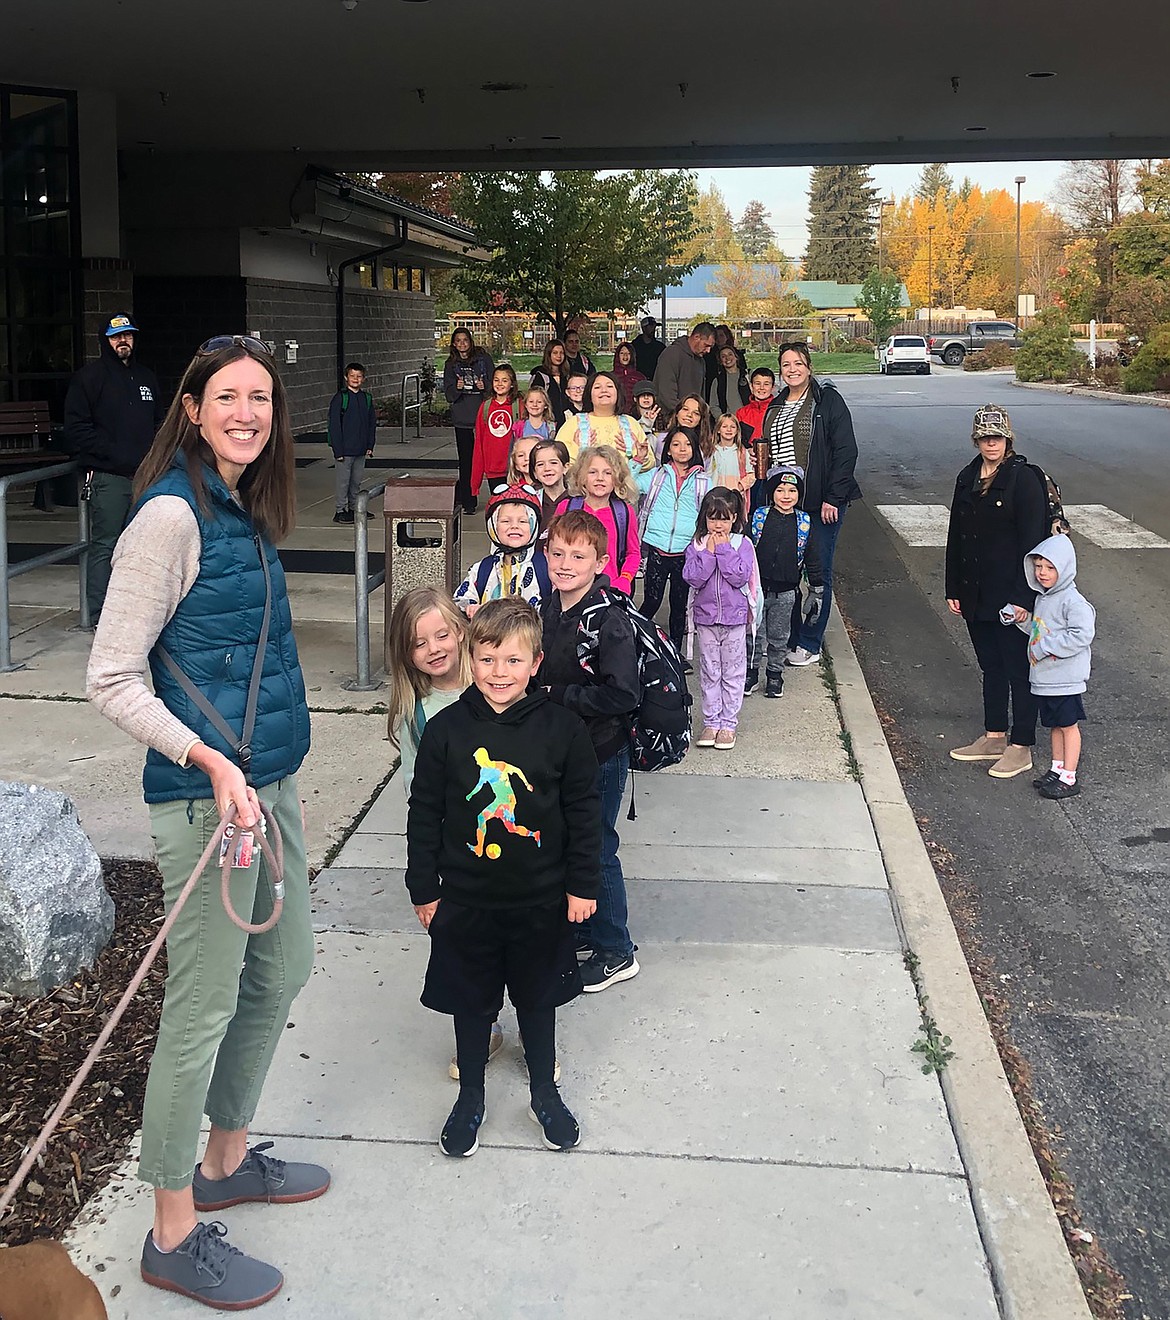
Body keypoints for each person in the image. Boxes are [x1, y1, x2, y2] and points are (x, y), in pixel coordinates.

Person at [85, 335, 322, 1310]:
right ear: (190, 406)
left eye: (261, 398)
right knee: (202, 1010)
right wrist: (209, 759)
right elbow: (109, 677)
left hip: (268, 790)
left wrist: (254, 770)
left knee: (285, 968)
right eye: (227, 397)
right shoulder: (171, 518)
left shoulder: (245, 504)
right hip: (205, 799)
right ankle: (173, 1229)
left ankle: (226, 1154)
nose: (247, 413)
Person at [405, 597, 602, 1156]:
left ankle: (543, 1093)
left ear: (535, 663)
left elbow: (584, 813)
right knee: (472, 1006)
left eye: (513, 661)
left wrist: (582, 885)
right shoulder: (445, 731)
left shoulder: (562, 730)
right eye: (488, 659)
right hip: (466, 901)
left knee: (538, 1002)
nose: (499, 673)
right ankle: (471, 1098)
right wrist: (423, 887)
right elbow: (425, 812)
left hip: (542, 901)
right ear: (471, 658)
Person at [541, 510, 641, 992]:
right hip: (564, 749)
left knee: (596, 845)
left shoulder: (610, 618)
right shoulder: (550, 608)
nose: (565, 564)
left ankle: (616, 950)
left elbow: (624, 694)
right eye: (557, 554)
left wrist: (559, 697)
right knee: (571, 842)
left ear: (600, 562)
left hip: (600, 751)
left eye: (578, 556)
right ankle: (585, 926)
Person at [945, 404, 1049, 781]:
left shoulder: (1025, 479)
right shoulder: (967, 476)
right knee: (991, 666)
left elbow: (1035, 542)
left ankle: (1020, 746)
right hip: (975, 590)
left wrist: (1025, 598)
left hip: (1011, 593)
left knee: (1017, 669)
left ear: (1008, 439)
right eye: (985, 437)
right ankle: (993, 735)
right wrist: (952, 586)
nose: (992, 443)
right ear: (976, 439)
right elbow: (955, 534)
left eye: (998, 437)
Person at [760, 341, 861, 667]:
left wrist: (834, 497)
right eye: (786, 364)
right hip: (786, 503)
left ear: (809, 366)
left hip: (820, 502)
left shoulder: (826, 401)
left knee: (818, 572)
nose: (792, 369)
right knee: (787, 571)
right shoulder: (775, 404)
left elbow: (846, 451)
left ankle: (810, 642)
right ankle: (788, 635)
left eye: (798, 363)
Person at [63, 313, 165, 622]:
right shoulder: (89, 379)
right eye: (116, 336)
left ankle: (136, 609)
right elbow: (76, 430)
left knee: (143, 547)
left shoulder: (146, 377)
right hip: (109, 479)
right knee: (105, 546)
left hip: (146, 478)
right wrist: (114, 454)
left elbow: (159, 423)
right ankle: (100, 615)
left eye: (128, 335)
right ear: (105, 341)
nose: (123, 341)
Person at [1005, 536, 1096, 800]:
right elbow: (1039, 630)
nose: (1042, 573)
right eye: (1039, 566)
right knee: (1055, 725)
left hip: (1065, 677)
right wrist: (1019, 620)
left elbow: (1082, 634)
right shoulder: (1044, 598)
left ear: (1065, 568)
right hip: (1046, 677)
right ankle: (1057, 769)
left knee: (1068, 726)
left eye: (1050, 568)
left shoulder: (1073, 601)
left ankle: (1069, 776)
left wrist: (1045, 648)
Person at [684, 488, 759, 752]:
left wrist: (724, 550)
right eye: (712, 518)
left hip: (734, 619)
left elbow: (739, 576)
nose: (718, 525)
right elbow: (693, 577)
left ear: (734, 518)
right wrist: (708, 553)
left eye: (724, 519)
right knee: (710, 672)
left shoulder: (742, 544)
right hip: (706, 620)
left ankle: (728, 723)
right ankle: (711, 722)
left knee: (733, 673)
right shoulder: (696, 545)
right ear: (704, 517)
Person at [636, 426, 710, 654]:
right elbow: (628, 482)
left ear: (695, 448)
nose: (682, 449)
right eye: (676, 444)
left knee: (679, 607)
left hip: (685, 552)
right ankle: (636, 643)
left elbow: (714, 508)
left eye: (687, 444)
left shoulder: (703, 480)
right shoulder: (657, 475)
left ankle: (675, 654)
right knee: (651, 601)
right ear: (667, 450)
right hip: (657, 549)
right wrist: (637, 460)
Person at [749, 468, 810, 698]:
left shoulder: (804, 522)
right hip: (758, 589)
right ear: (771, 493)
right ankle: (751, 672)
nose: (786, 495)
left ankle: (775, 675)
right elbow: (747, 549)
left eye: (792, 490)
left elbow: (811, 556)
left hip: (786, 592)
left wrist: (816, 587)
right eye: (780, 490)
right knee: (753, 634)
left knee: (779, 636)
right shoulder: (760, 517)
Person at [554, 444, 642, 595]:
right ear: (582, 477)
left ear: (617, 478)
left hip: (611, 589)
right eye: (592, 472)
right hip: (572, 587)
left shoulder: (624, 512)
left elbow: (633, 553)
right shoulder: (567, 507)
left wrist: (624, 579)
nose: (600, 478)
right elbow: (553, 549)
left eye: (608, 473)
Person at [454, 484, 549, 618]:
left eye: (523, 521)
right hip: (490, 637)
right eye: (505, 521)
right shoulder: (482, 569)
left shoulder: (545, 567)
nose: (514, 526)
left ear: (534, 526)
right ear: (493, 526)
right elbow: (461, 598)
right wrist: (470, 606)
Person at [443, 329, 494, 513]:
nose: (462, 344)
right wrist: (457, 389)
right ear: (454, 344)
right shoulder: (451, 365)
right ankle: (468, 500)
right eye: (458, 341)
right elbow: (449, 394)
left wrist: (484, 387)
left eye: (465, 340)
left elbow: (495, 385)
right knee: (466, 461)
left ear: (471, 342)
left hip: (483, 417)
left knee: (490, 460)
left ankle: (497, 496)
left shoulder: (483, 359)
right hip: (462, 419)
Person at [555, 371, 646, 466]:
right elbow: (557, 459)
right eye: (597, 387)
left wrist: (634, 452)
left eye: (609, 386)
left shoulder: (631, 422)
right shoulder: (574, 423)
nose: (604, 390)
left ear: (618, 393)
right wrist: (576, 449)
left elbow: (651, 463)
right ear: (589, 394)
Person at [327, 360, 376, 525]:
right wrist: (338, 450)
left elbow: (371, 424)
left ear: (363, 379)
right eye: (352, 376)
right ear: (346, 378)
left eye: (359, 376)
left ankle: (354, 508)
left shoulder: (366, 398)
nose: (355, 379)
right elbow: (334, 426)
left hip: (361, 449)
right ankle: (340, 510)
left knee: (356, 481)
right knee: (343, 482)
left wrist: (370, 445)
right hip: (345, 450)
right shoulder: (340, 398)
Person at [470, 364, 521, 501]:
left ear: (512, 384)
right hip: (493, 470)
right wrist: (476, 482)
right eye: (496, 380)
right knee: (499, 508)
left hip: (515, 469)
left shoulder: (519, 406)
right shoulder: (485, 407)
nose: (500, 384)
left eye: (505, 380)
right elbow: (479, 443)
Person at [653, 321, 716, 414]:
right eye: (706, 345)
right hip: (670, 417)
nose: (708, 350)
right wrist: (685, 413)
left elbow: (701, 394)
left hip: (692, 418)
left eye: (711, 347)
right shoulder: (672, 354)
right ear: (696, 337)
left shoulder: (701, 361)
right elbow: (666, 393)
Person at [707, 411, 754, 518]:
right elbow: (707, 473)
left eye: (732, 427)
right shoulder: (711, 451)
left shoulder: (742, 452)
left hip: (735, 496)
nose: (729, 430)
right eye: (725, 426)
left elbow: (751, 474)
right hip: (715, 495)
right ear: (718, 430)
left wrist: (740, 487)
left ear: (737, 430)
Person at [531, 438, 571, 533]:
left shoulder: (577, 500)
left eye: (553, 463)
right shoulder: (531, 501)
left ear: (565, 467)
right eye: (540, 464)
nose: (547, 468)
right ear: (535, 473)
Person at [662, 393, 714, 460]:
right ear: (677, 413)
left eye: (696, 413)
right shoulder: (662, 439)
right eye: (685, 409)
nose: (689, 415)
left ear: (701, 420)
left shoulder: (705, 445)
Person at [530, 340, 570, 427]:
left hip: (566, 421)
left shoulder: (567, 375)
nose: (559, 356)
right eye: (555, 353)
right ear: (548, 354)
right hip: (547, 421)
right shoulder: (540, 375)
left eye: (561, 353)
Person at [706, 344, 751, 419]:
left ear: (736, 357)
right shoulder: (717, 381)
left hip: (749, 420)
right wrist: (722, 420)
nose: (727, 358)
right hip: (729, 423)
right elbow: (713, 405)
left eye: (730, 354)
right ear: (720, 361)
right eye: (723, 356)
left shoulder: (748, 375)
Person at [611, 341, 646, 408]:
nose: (625, 356)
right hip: (616, 413)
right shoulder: (611, 377)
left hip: (634, 415)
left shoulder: (639, 377)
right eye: (622, 353)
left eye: (628, 353)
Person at [632, 380, 664, 454]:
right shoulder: (629, 419)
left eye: (649, 395)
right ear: (635, 399)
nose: (646, 397)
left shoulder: (662, 419)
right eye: (642, 395)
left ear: (654, 398)